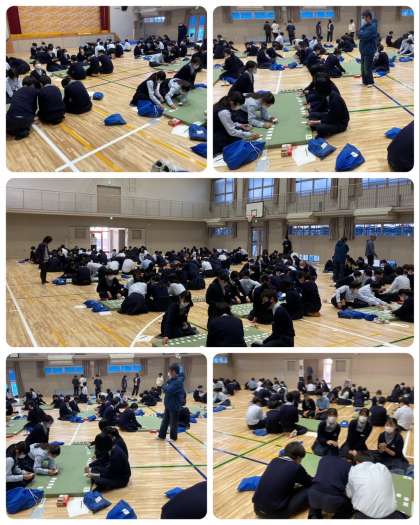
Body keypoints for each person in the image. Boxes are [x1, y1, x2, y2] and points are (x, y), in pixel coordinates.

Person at [253, 441, 312, 518]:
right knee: (311, 489)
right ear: (298, 458)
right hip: (275, 514)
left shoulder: (274, 460)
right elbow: (309, 482)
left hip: (257, 508)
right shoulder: (296, 467)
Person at [158, 363, 185, 442]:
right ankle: (161, 436)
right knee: (165, 421)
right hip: (168, 405)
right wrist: (165, 386)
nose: (168, 373)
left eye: (169, 371)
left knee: (173, 423)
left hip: (174, 405)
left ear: (173, 372)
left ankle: (173, 438)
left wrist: (164, 386)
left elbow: (168, 390)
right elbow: (166, 386)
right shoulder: (172, 380)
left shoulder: (178, 382)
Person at [358, 10, 378, 87]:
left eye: (364, 17)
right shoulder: (365, 26)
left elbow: (364, 36)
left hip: (369, 50)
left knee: (367, 67)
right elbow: (359, 33)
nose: (364, 19)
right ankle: (365, 81)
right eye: (363, 17)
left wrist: (361, 34)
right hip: (363, 50)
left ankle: (370, 82)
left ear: (368, 17)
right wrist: (361, 33)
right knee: (363, 68)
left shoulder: (373, 27)